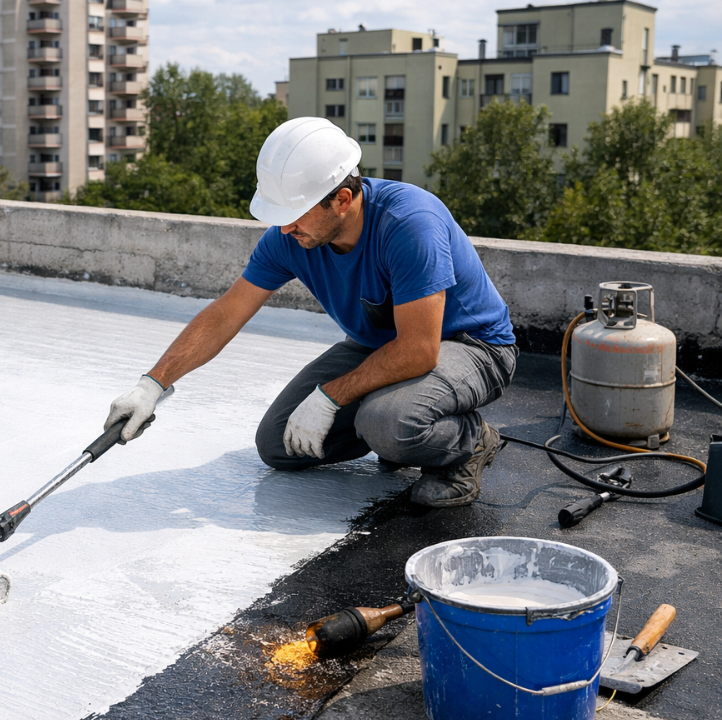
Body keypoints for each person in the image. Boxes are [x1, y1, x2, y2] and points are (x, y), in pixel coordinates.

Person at [104, 117, 518, 507]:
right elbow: (226, 313)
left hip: (473, 345)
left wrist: (331, 397)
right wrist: (152, 385)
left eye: (292, 216)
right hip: (380, 344)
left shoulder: (410, 223)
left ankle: (470, 442)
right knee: (276, 445)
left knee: (388, 423)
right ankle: (404, 430)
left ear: (341, 199)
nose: (284, 229)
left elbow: (419, 351)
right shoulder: (290, 237)